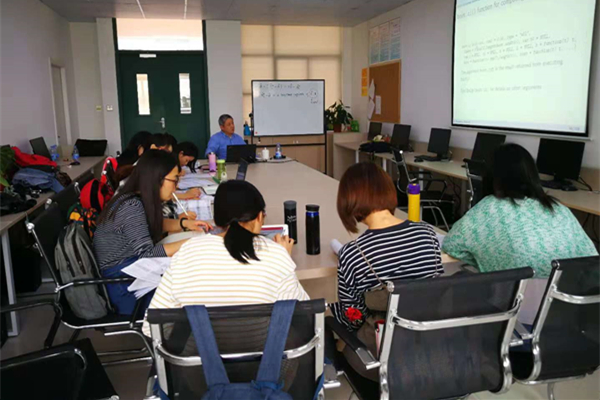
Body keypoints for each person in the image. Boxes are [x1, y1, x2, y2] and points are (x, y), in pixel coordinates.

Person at [442, 143, 598, 325]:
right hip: (565, 317)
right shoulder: (558, 208)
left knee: (459, 278)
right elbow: (591, 261)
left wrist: (484, 256)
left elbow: (451, 245)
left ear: (492, 176)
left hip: (514, 315)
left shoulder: (490, 207)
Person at [144, 180, 309, 335]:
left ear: (216, 221)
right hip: (266, 355)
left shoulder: (187, 251)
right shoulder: (275, 254)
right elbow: (305, 317)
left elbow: (150, 327)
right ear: (259, 217)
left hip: (197, 356)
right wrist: (284, 258)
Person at [330, 162, 444, 380]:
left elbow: (353, 318)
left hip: (383, 361)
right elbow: (435, 287)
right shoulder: (427, 233)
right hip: (431, 348)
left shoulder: (353, 254)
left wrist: (333, 311)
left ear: (350, 201)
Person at [94, 150, 212, 315]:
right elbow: (147, 253)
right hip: (126, 286)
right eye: (174, 180)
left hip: (133, 273)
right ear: (157, 179)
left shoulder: (134, 197)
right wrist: (192, 243)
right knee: (193, 286)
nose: (176, 186)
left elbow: (151, 225)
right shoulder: (132, 206)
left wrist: (184, 223)